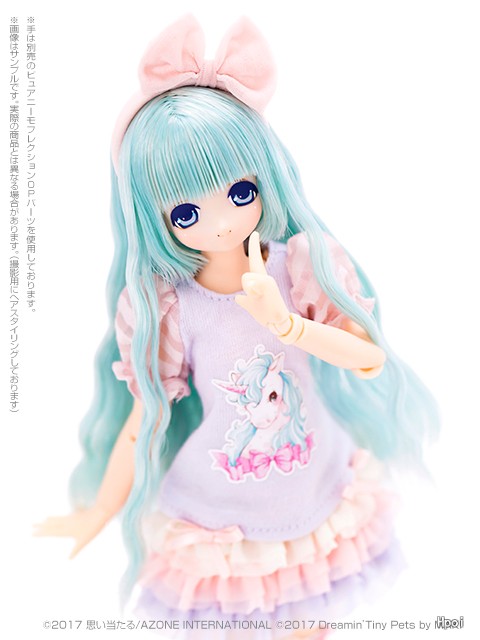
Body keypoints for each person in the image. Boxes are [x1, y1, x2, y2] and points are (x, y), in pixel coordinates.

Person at [34, 15, 439, 640]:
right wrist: (98, 511)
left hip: (313, 491)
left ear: (264, 175)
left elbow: (368, 358)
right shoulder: (166, 307)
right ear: (153, 217)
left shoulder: (302, 266)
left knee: (310, 625)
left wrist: (288, 325)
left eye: (240, 191)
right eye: (186, 211)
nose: (221, 222)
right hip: (220, 515)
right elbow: (144, 420)